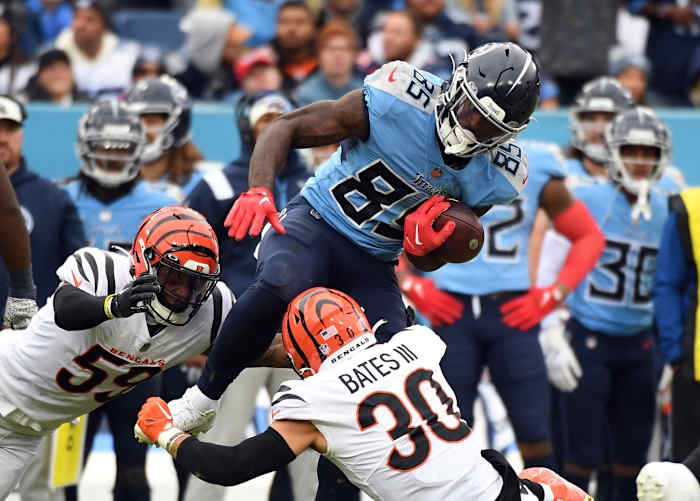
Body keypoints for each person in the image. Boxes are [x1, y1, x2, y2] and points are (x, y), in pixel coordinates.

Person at [161, 41, 540, 501]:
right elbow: (285, 127)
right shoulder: (399, 97)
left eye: (489, 127)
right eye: (470, 110)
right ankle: (202, 401)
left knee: (384, 376)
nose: (471, 126)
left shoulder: (498, 174)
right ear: (455, 84)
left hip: (374, 259)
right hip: (317, 221)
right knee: (280, 283)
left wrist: (427, 250)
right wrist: (261, 189)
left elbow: (428, 254)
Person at [135, 286, 593, 501]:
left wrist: (168, 435)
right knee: (537, 480)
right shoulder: (418, 346)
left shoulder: (311, 402)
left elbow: (233, 468)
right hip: (502, 490)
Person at [0, 205, 234, 500]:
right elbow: (65, 308)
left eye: (195, 284)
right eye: (174, 278)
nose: (184, 294)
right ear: (144, 261)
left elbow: (252, 349)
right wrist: (113, 305)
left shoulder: (211, 312)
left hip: (25, 435)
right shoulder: (104, 270)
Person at [405, 139, 604, 471]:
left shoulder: (536, 163)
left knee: (534, 432)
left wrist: (551, 297)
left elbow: (588, 236)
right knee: (449, 432)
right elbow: (389, 225)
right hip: (452, 311)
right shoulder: (434, 154)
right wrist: (414, 286)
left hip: (513, 313)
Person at [182, 90, 314, 501]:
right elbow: (187, 255)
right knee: (221, 435)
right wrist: (196, 329)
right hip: (239, 328)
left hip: (301, 332)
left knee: (311, 448)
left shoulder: (315, 181)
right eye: (265, 119)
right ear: (247, 127)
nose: (273, 127)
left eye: (280, 118)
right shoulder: (219, 183)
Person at [538, 108, 671, 501]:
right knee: (580, 457)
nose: (640, 162)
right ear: (613, 151)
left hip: (640, 343)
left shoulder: (669, 207)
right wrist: (549, 329)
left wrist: (671, 348)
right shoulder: (589, 198)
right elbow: (549, 263)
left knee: (632, 460)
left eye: (649, 154)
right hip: (588, 338)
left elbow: (674, 283)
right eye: (632, 151)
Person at [60, 99, 180, 501]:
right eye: (105, 149)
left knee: (134, 465)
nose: (112, 159)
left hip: (138, 353)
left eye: (121, 150)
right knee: (65, 466)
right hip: (72, 350)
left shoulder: (164, 201)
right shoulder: (62, 198)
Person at [0, 94, 84, 329]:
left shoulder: (54, 199)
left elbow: (79, 276)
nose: (2, 138)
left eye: (10, 129)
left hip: (33, 338)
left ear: (22, 135)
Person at [652, 185, 700, 465]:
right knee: (686, 474)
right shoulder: (690, 207)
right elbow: (667, 282)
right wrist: (675, 353)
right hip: (694, 368)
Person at [125, 75, 222, 199]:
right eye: (135, 122)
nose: (141, 130)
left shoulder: (206, 184)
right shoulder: (115, 184)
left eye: (151, 121)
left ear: (177, 126)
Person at [54, 0, 140, 98]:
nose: (80, 25)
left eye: (89, 20)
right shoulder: (53, 54)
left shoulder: (127, 55)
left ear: (104, 27)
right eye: (77, 18)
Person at [294, 20, 364, 107]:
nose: (338, 55)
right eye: (331, 49)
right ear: (319, 55)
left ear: (354, 55)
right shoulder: (305, 95)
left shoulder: (364, 95)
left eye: (344, 49)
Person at [274, 1, 319, 92]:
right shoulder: (265, 64)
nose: (292, 28)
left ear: (313, 28)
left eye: (300, 22)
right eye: (285, 22)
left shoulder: (325, 65)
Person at [21, 48, 89, 105]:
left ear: (72, 74)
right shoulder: (27, 105)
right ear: (39, 77)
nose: (58, 75)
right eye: (51, 69)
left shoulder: (86, 106)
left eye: (63, 69)